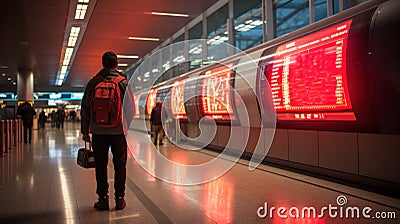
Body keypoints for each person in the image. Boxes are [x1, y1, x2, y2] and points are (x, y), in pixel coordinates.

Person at [81, 51, 130, 211]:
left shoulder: (93, 82)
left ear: (103, 64)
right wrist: (125, 127)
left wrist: (85, 131)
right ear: (116, 64)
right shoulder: (123, 83)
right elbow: (131, 108)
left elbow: (85, 108)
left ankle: (103, 199)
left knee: (100, 166)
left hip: (98, 132)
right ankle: (120, 199)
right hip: (118, 132)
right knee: (120, 165)